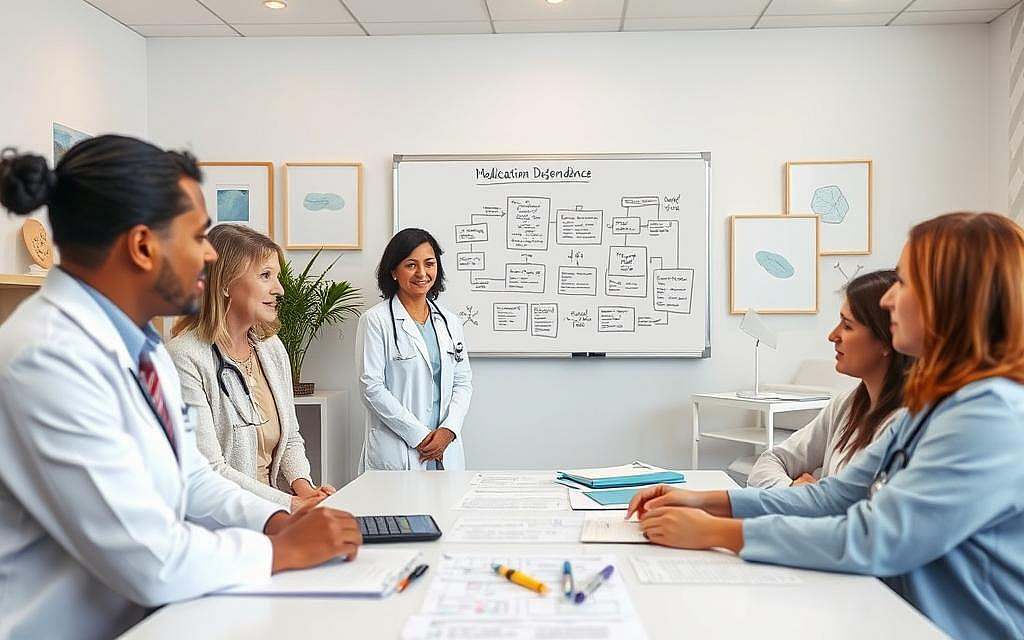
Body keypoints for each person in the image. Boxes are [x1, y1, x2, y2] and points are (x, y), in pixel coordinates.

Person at [0, 136, 361, 640]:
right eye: (197, 237)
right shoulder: (46, 357)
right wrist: (281, 551)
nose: (210, 255)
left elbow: (190, 479)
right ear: (143, 246)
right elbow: (148, 558)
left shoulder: (140, 345)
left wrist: (276, 520)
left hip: (153, 617)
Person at [628, 212, 1024, 640]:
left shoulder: (989, 415)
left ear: (952, 299)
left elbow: (875, 538)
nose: (889, 299)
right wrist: (701, 501)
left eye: (905, 283)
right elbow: (833, 497)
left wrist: (716, 532)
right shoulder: (932, 406)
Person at [168, 224, 334, 511]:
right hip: (224, 520)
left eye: (276, 277)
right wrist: (292, 504)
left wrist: (307, 490)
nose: (279, 289)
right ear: (224, 283)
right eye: (265, 276)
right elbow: (210, 469)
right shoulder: (185, 357)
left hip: (275, 512)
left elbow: (290, 436)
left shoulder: (271, 348)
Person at [747, 270, 912, 488]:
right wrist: (792, 489)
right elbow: (769, 462)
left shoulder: (906, 423)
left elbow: (847, 508)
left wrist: (811, 497)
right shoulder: (845, 405)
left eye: (847, 325)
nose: (832, 336)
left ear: (886, 338)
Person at [356, 228, 472, 471]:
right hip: (401, 449)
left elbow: (462, 382)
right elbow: (371, 387)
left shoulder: (449, 322)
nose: (422, 273)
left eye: (429, 263)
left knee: (445, 508)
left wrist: (449, 430)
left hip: (445, 447)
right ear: (393, 271)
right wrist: (419, 436)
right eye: (411, 265)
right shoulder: (376, 320)